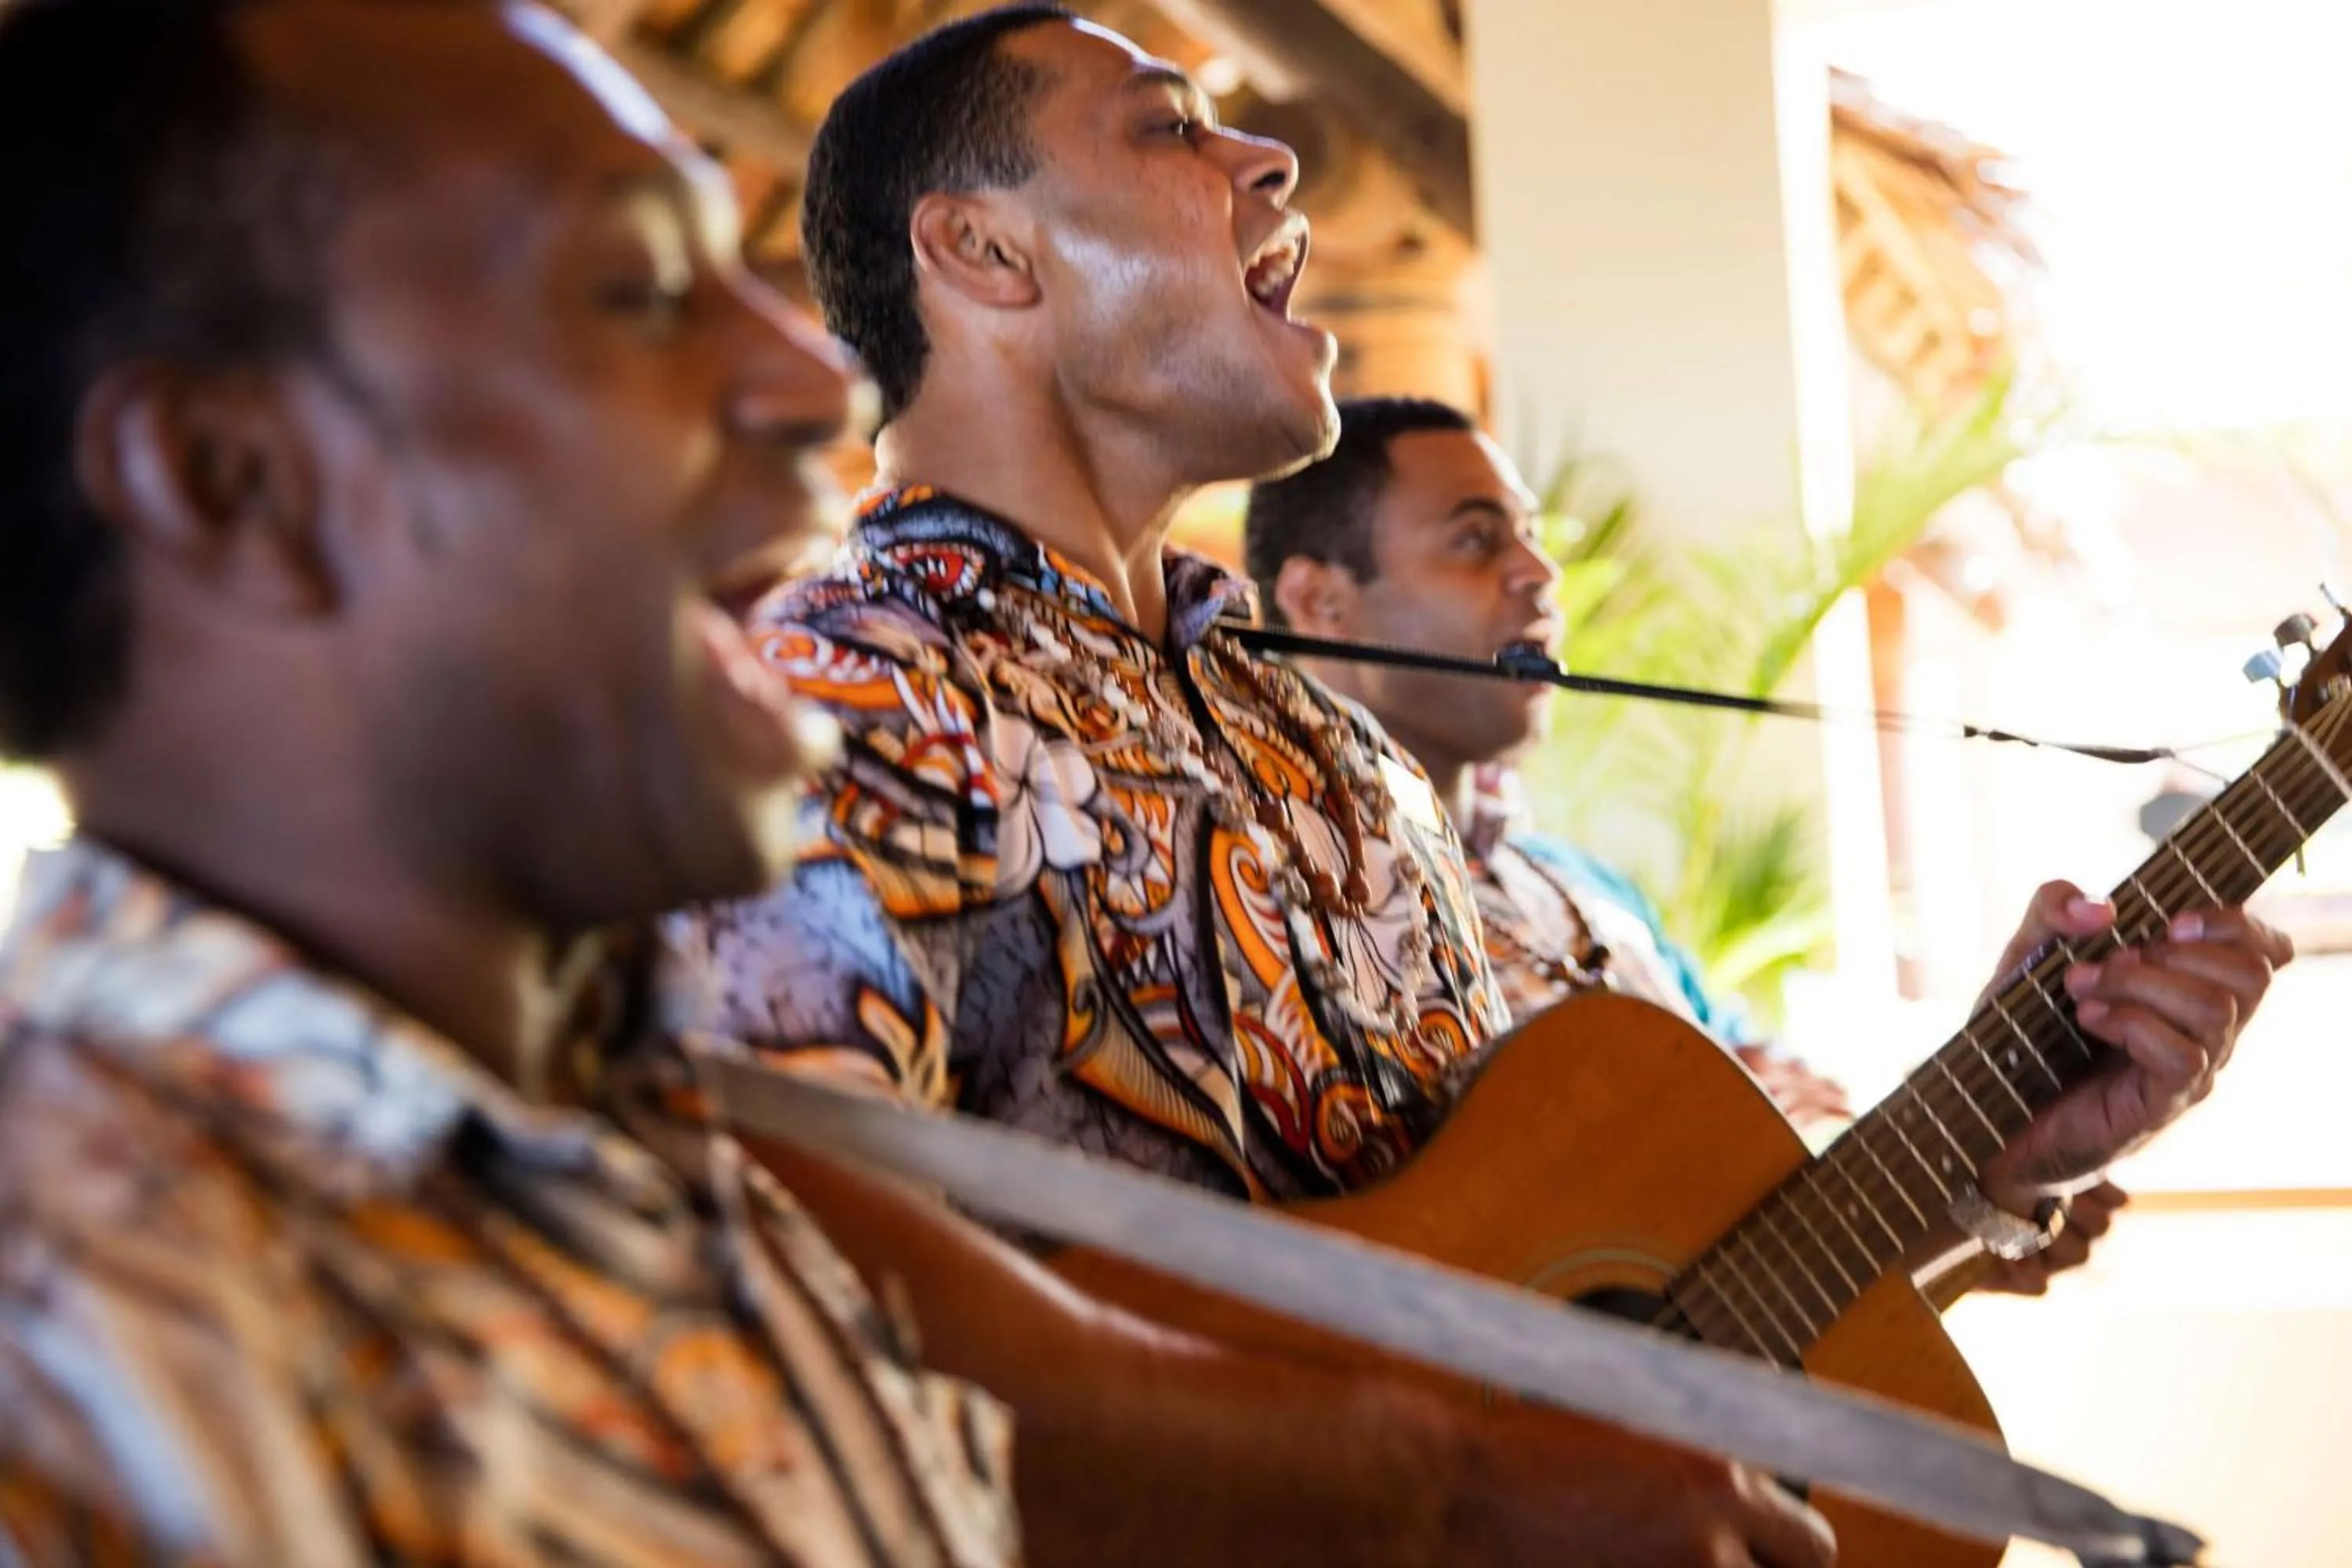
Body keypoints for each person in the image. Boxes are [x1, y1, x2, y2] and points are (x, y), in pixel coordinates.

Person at [0, 3, 1848, 1566]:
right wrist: (1453, 1489)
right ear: (227, 480)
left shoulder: (660, 1118)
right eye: (635, 289)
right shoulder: (86, 1333)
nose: (813, 384)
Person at [669, 1, 2280, 1547]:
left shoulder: (1344, 760)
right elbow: (764, 1299)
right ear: (984, 251)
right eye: (1169, 127)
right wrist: (1442, 1499)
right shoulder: (837, 699)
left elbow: (1582, 1319)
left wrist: (1983, 1158)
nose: (1270, 162)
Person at [1242, 394, 2149, 1292]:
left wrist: (1989, 1182)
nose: (1539, 570)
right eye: (1478, 539)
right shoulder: (1262, 892)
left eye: (1531, 534)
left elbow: (1803, 1145)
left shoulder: (1585, 893)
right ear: (1319, 600)